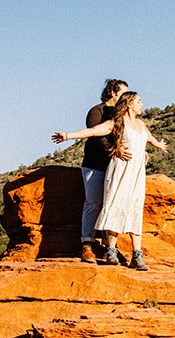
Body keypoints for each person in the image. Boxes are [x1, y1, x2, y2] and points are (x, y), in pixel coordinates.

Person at [53, 91, 167, 269]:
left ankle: (137, 255)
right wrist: (67, 136)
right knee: (114, 205)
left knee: (135, 208)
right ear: (129, 104)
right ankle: (111, 250)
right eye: (138, 101)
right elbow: (92, 132)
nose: (142, 104)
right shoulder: (116, 122)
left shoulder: (141, 124)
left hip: (136, 174)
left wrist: (158, 145)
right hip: (119, 170)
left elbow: (149, 139)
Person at [51, 78, 128, 263]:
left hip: (115, 167)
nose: (126, 97)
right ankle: (86, 243)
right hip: (95, 165)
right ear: (112, 92)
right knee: (93, 202)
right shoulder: (97, 111)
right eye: (123, 93)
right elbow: (95, 134)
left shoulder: (121, 115)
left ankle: (109, 247)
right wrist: (113, 149)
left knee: (110, 205)